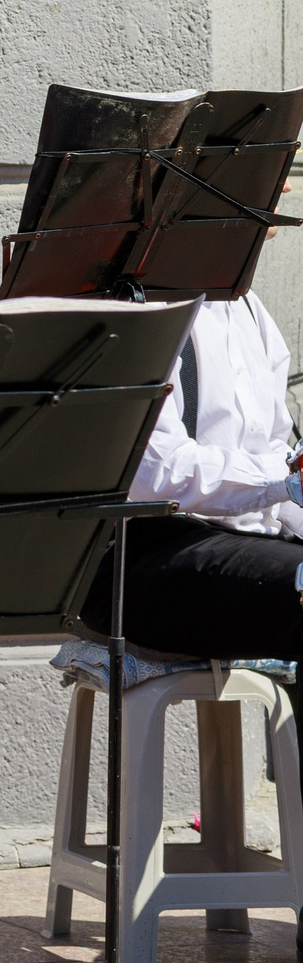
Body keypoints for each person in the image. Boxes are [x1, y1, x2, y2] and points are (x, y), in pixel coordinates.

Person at [87, 286, 303, 673]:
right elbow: (157, 474)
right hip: (138, 558)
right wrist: (290, 477)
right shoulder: (139, 300)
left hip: (248, 542)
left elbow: (273, 448)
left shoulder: (250, 306)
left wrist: (290, 483)